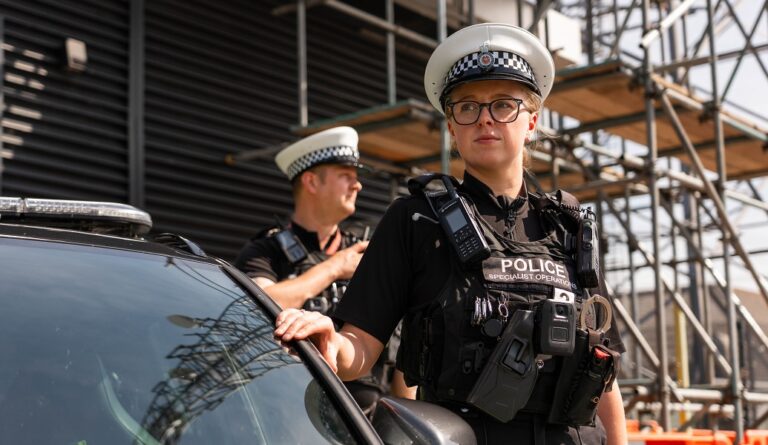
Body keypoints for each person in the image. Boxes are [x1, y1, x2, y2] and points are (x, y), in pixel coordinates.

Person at [274, 23, 626, 444]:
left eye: (503, 105)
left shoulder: (569, 228)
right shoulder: (415, 219)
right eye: (467, 107)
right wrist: (331, 344)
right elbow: (359, 347)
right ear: (451, 128)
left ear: (531, 121)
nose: (484, 120)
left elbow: (604, 376)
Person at [234, 126, 415, 410]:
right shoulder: (266, 252)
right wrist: (333, 268)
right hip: (293, 417)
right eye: (346, 176)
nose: (358, 186)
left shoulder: (368, 251)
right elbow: (255, 307)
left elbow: (405, 342)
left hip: (370, 424)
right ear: (311, 182)